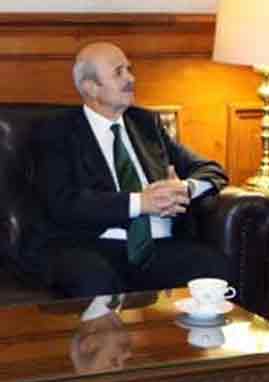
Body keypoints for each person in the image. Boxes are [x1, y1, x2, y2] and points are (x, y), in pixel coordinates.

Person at [34, 41, 230, 297]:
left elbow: (211, 170)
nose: (131, 78)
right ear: (90, 87)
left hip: (161, 244)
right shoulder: (57, 132)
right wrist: (141, 203)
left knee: (213, 267)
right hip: (95, 245)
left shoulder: (146, 123)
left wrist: (185, 188)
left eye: (129, 69)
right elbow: (64, 202)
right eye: (119, 72)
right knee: (93, 278)